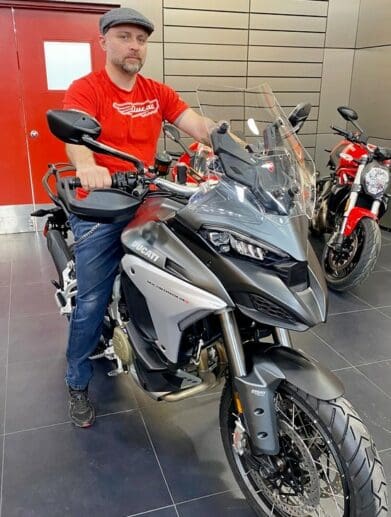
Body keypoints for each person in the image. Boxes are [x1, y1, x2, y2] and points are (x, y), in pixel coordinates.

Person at [62, 7, 212, 427]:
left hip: (146, 194)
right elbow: (77, 140)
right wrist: (87, 164)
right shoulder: (87, 89)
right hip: (102, 201)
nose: (134, 45)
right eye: (125, 37)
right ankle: (76, 381)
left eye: (141, 39)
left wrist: (235, 145)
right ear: (104, 42)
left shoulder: (155, 92)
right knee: (92, 298)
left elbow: (196, 125)